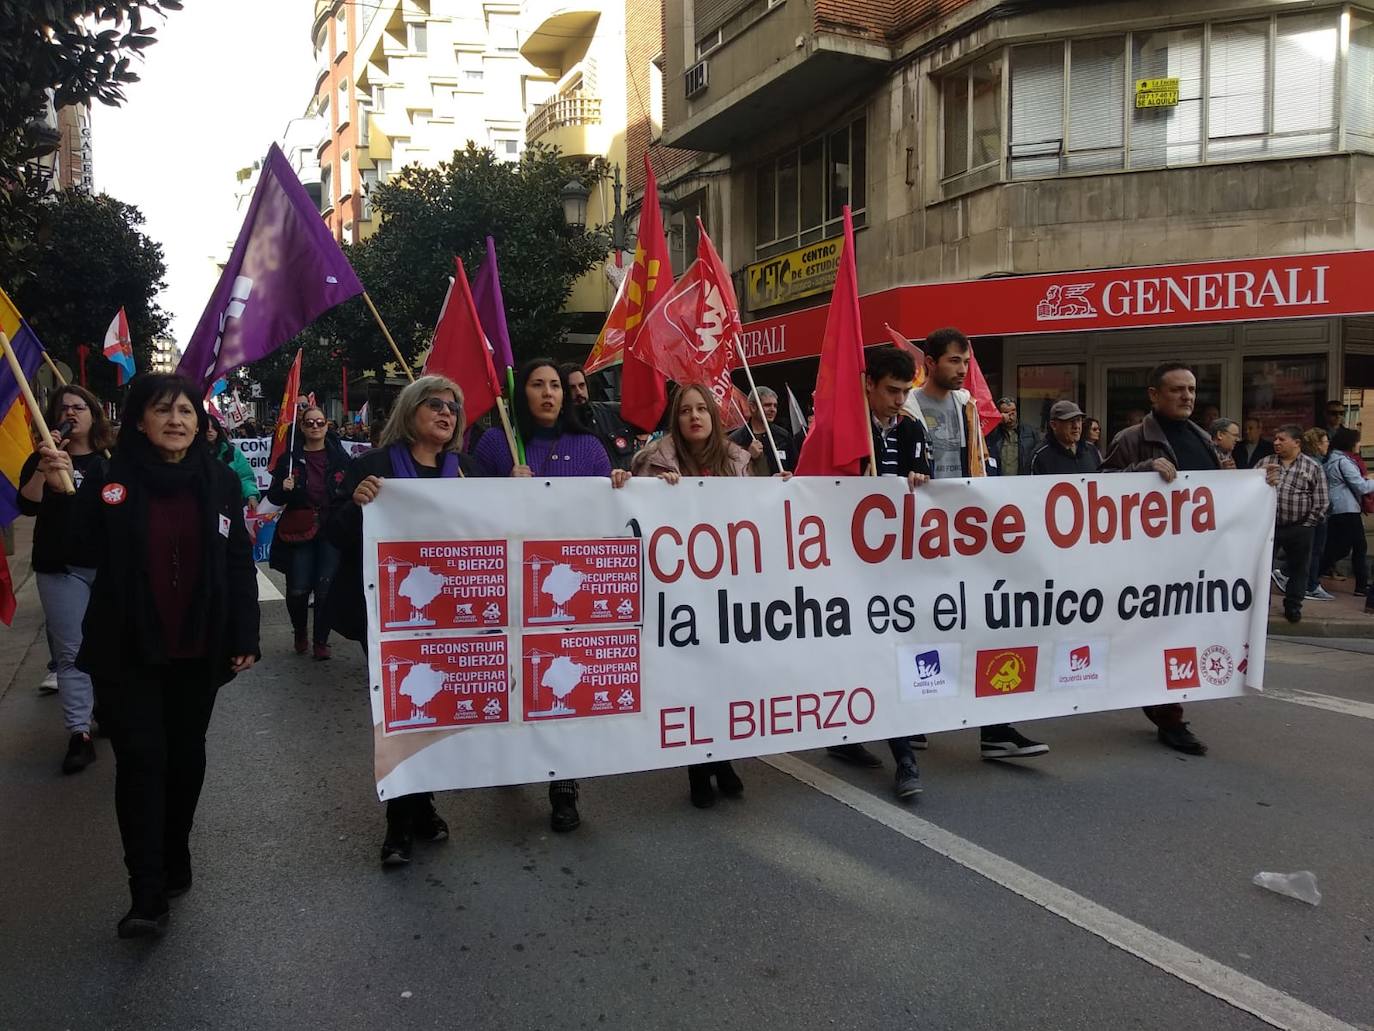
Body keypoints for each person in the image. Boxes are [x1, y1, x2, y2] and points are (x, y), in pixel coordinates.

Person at [51, 373, 259, 939]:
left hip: (198, 649)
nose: (176, 420)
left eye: (186, 411)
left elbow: (238, 560)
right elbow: (77, 549)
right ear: (139, 420)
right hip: (128, 651)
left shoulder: (218, 482)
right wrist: (62, 491)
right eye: (163, 410)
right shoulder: (110, 482)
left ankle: (175, 852)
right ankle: (145, 892)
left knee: (185, 760)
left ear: (200, 421)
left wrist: (245, 632)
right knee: (142, 762)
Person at [327, 375, 477, 867]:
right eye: (435, 404)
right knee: (404, 709)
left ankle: (422, 802)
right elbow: (335, 534)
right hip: (387, 614)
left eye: (453, 407)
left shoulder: (465, 473)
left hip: (451, 615)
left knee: (434, 709)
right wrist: (357, 503)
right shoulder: (372, 468)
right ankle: (401, 822)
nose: (446, 413)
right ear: (410, 410)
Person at [472, 357, 614, 831]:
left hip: (567, 590)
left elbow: (607, 516)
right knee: (516, 677)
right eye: (537, 385)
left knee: (563, 682)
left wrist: (621, 485)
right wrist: (500, 489)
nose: (549, 393)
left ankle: (564, 786)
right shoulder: (497, 445)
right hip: (511, 585)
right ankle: (513, 754)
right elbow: (466, 511)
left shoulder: (589, 447)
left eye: (555, 385)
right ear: (522, 394)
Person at [909, 329, 1049, 762]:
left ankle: (994, 728)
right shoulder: (909, 407)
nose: (963, 370)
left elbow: (978, 466)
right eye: (954, 361)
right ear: (929, 362)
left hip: (968, 536)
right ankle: (912, 719)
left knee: (984, 625)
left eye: (967, 363)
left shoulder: (968, 406)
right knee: (921, 627)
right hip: (920, 539)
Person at [811, 345, 933, 796]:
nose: (899, 400)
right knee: (861, 653)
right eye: (891, 390)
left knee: (889, 654)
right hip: (844, 564)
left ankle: (901, 753)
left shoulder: (912, 428)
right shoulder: (842, 429)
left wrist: (920, 481)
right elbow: (812, 484)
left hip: (895, 566)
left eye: (905, 391)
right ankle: (871, 743)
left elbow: (928, 483)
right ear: (868, 384)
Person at [633, 384, 751, 807]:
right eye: (686, 411)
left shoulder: (737, 462)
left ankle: (722, 758)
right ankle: (699, 768)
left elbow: (754, 517)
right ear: (676, 419)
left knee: (725, 679)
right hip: (680, 590)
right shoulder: (655, 462)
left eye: (702, 409)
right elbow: (638, 516)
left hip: (727, 589)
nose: (695, 417)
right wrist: (646, 489)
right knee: (692, 681)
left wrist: (780, 489)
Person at [1102, 362, 1223, 755]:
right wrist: (1142, 470)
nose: (1187, 396)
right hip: (1149, 565)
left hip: (1195, 561)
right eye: (1177, 389)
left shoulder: (1204, 440)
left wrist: (1260, 484)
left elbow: (1222, 492)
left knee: (1182, 636)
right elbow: (1099, 489)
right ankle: (1169, 717)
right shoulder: (1133, 439)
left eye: (1191, 389)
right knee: (1157, 638)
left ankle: (1164, 704)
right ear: (1154, 395)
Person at [18, 384, 112, 773]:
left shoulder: (113, 458)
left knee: (108, 645)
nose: (71, 413)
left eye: (79, 406)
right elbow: (28, 503)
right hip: (61, 567)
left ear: (94, 413)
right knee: (72, 651)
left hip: (108, 566)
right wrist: (43, 467)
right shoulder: (43, 457)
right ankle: (79, 733)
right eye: (63, 408)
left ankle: (104, 708)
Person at [266, 405, 350, 660]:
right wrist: (284, 487)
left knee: (326, 588)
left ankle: (321, 640)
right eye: (309, 423)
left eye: (320, 422)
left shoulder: (340, 458)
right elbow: (274, 497)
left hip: (331, 530)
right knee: (298, 589)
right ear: (301, 427)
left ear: (327, 426)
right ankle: (300, 630)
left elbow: (349, 491)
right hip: (300, 529)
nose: (315, 426)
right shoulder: (289, 460)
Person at [1259, 426, 1329, 625]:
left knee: (1299, 568)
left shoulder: (1312, 466)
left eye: (1282, 439)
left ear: (1296, 443)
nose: (1276, 443)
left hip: (1300, 527)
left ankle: (1293, 606)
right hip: (1269, 526)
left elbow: (1322, 499)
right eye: (1275, 439)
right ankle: (1260, 606)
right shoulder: (1265, 462)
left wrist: (1308, 523)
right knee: (1262, 567)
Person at [1320, 427, 1372, 596]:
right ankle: (1361, 586)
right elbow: (1361, 487)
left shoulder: (1333, 460)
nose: (1359, 445)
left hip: (1340, 509)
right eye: (1357, 441)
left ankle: (1312, 574)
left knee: (1340, 547)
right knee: (1353, 547)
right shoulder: (1343, 462)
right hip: (1347, 509)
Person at [560, 361, 639, 471]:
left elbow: (654, 420)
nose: (578, 392)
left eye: (581, 385)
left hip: (620, 485)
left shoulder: (614, 413)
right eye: (571, 388)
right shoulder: (556, 424)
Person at [728, 386, 796, 476]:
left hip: (779, 489)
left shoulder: (784, 436)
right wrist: (748, 455)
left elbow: (796, 469)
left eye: (775, 405)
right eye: (767, 405)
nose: (773, 409)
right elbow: (730, 475)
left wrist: (791, 476)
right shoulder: (735, 440)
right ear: (753, 407)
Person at [1299, 428, 1334, 601]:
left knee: (1310, 551)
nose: (1328, 444)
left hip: (1311, 514)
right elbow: (1320, 493)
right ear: (1317, 444)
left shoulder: (1308, 461)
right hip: (1317, 515)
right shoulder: (1316, 464)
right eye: (1325, 441)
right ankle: (1310, 585)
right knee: (1314, 551)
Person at [205, 413, 260, 508]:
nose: (210, 431)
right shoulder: (193, 454)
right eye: (206, 427)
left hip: (231, 507)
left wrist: (251, 495)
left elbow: (245, 478)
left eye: (213, 427)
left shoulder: (233, 452)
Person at [1030, 401, 1100, 474]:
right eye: (1071, 421)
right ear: (1054, 425)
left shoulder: (1092, 451)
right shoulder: (1040, 456)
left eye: (1079, 420)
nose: (1076, 426)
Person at [984, 396, 1039, 476]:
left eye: (1013, 411)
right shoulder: (993, 433)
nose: (1011, 416)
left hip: (1022, 480)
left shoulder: (1029, 432)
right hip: (998, 480)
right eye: (1006, 412)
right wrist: (997, 421)